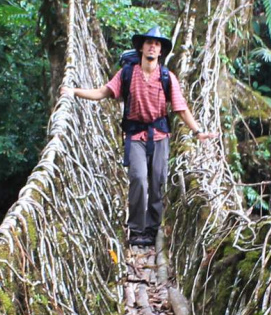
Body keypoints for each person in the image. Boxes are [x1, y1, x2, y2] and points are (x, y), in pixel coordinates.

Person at [61, 25, 215, 247]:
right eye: (149, 43)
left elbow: (181, 108)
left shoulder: (167, 77)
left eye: (157, 44)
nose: (152, 47)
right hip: (135, 136)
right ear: (141, 47)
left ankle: (151, 230)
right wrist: (74, 92)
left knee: (157, 183)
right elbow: (102, 93)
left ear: (160, 51)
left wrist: (198, 131)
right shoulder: (127, 73)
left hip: (160, 136)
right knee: (139, 179)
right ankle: (135, 229)